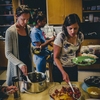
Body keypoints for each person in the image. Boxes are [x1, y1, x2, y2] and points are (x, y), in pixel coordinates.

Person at [5, 5, 34, 86]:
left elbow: (25, 45)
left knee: (29, 86)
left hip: (27, 62)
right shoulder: (10, 32)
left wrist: (33, 48)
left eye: (27, 19)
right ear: (16, 16)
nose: (25, 22)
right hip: (17, 65)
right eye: (23, 19)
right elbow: (8, 53)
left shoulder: (27, 28)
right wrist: (20, 64)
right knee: (18, 89)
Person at [52, 13, 84, 83]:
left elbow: (77, 52)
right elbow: (56, 58)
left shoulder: (80, 36)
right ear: (66, 27)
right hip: (60, 69)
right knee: (60, 91)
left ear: (79, 27)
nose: (73, 31)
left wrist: (82, 60)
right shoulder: (61, 36)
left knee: (73, 90)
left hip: (73, 68)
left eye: (75, 28)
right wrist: (63, 72)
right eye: (70, 28)